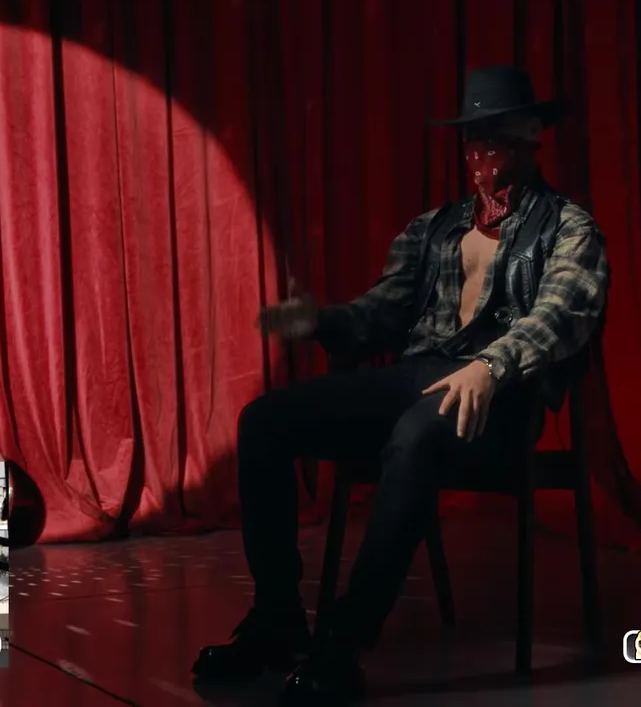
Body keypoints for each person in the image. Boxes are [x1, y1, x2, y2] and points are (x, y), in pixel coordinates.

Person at [191, 65, 610, 704]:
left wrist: (491, 366)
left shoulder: (569, 228)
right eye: (473, 138)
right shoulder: (433, 229)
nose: (482, 152)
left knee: (415, 437)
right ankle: (277, 620)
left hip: (498, 402)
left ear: (531, 135)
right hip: (418, 375)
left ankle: (344, 641)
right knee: (265, 422)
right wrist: (321, 320)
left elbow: (561, 314)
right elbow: (379, 313)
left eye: (497, 135)